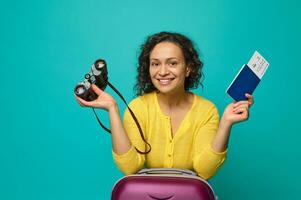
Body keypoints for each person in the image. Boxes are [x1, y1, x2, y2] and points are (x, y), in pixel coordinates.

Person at [75, 32, 253, 180]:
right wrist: (112, 109)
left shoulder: (206, 110)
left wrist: (226, 124)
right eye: (155, 64)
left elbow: (205, 170)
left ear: (188, 68)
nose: (162, 72)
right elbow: (129, 167)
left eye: (173, 63)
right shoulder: (138, 107)